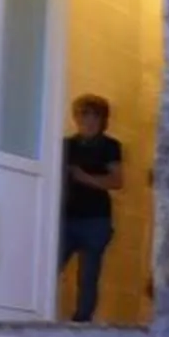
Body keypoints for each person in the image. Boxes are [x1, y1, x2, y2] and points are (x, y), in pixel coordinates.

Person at [60, 93, 123, 324]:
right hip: (66, 217)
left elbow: (117, 181)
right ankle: (38, 310)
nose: (88, 121)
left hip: (96, 220)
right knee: (50, 266)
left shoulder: (109, 146)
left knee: (88, 276)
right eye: (83, 115)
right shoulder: (67, 145)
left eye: (94, 116)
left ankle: (82, 321)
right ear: (75, 118)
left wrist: (83, 177)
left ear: (103, 120)